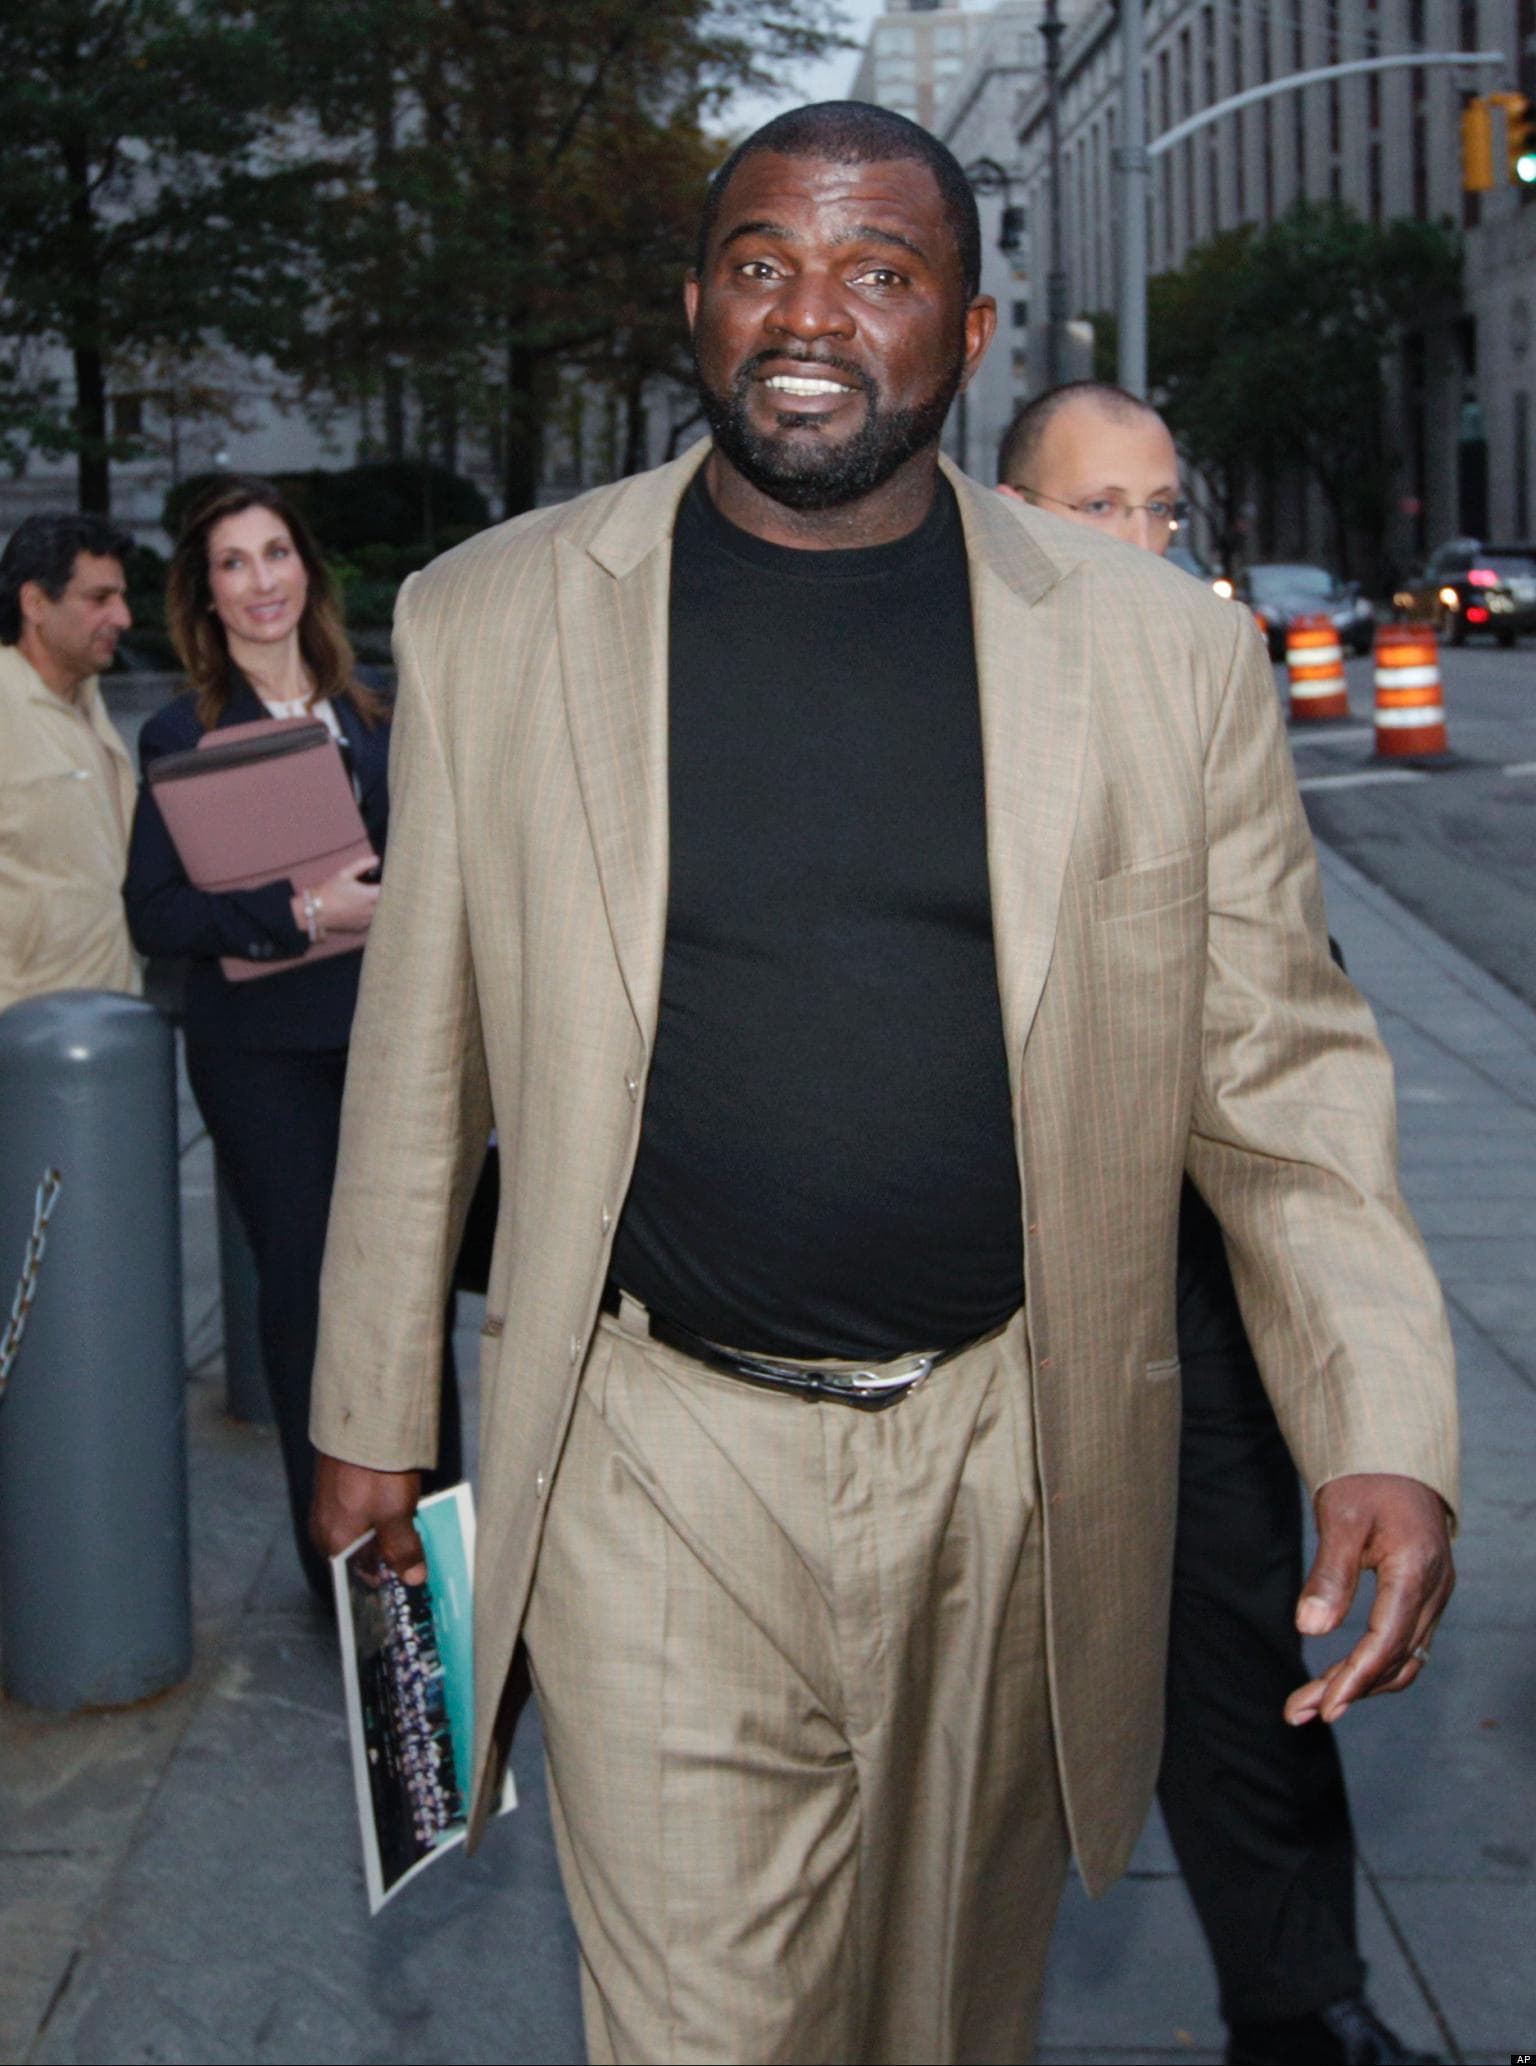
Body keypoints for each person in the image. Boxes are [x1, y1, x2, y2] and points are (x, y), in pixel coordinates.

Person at [307, 104, 1457, 2066]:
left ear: (972, 331)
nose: (810, 314)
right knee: (704, 2026)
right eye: (763, 264)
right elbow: (423, 1056)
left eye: (880, 271)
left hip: (1013, 1459)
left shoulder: (1156, 660)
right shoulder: (493, 618)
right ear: (696, 306)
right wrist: (369, 1417)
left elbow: (1278, 1076)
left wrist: (1382, 1418)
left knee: (941, 2016)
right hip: (649, 1455)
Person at [999, 380, 1434, 2066]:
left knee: (1251, 1642)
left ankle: (1300, 1996)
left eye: (1160, 508)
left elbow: (1290, 999)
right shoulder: (942, 693)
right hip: (979, 1293)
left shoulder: (1208, 680)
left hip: (1189, 1274)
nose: (1140, 539)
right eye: (1097, 505)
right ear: (1012, 515)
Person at [123, 476, 460, 1601]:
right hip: (262, 1053)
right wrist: (306, 911)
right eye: (233, 562)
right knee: (309, 1291)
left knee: (410, 1284)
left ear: (307, 571)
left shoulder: (378, 713)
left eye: (276, 553)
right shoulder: (183, 733)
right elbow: (156, 913)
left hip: (387, 1036)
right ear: (206, 594)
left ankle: (437, 1552)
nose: (260, 580)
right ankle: (343, 1573)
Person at [0, 513, 140, 1011]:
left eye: (121, 597)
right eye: (100, 598)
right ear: (35, 604)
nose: (123, 617)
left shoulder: (88, 699)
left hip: (110, 1014)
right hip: (22, 1027)